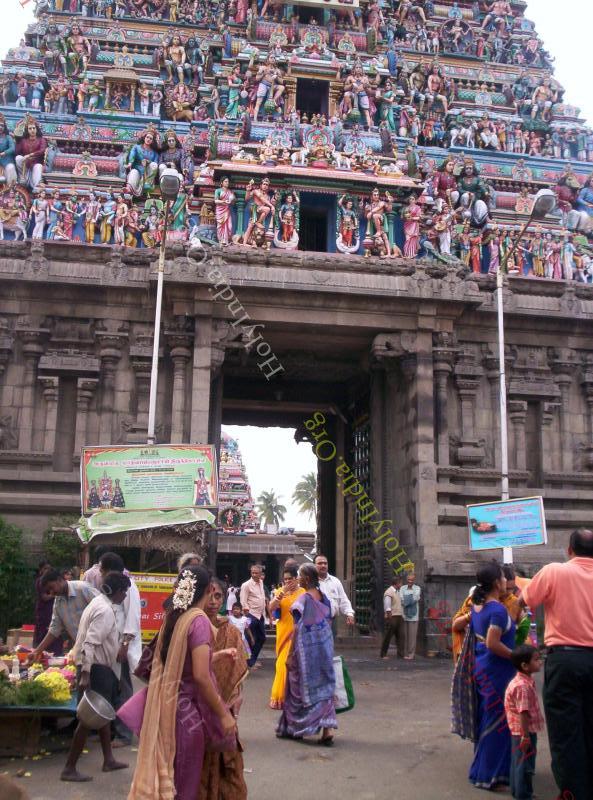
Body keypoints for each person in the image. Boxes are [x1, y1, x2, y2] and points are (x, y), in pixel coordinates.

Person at [128, 566, 236, 800]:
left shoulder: (173, 618)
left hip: (166, 708)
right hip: (188, 716)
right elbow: (200, 676)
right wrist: (223, 714)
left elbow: (180, 663)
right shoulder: (198, 621)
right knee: (184, 786)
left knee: (172, 779)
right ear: (209, 590)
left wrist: (217, 655)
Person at [520, 528, 593, 800]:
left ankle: (574, 793)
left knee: (566, 733)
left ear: (569, 550)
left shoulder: (554, 572)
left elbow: (525, 600)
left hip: (565, 660)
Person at [61, 571, 131, 782]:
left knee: (103, 714)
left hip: (98, 668)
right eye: (124, 592)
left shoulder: (98, 604)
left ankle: (108, 760)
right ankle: (69, 768)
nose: (125, 596)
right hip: (96, 669)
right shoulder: (104, 611)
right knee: (87, 719)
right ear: (116, 591)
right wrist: (85, 674)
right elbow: (90, 643)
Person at [453, 561, 516, 790]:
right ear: (497, 582)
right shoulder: (497, 610)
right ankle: (491, 776)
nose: (506, 581)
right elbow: (492, 643)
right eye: (503, 577)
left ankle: (481, 771)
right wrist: (516, 656)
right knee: (498, 723)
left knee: (488, 718)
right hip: (497, 669)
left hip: (481, 667)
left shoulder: (477, 606)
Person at [276, 564, 337, 746]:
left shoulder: (302, 600)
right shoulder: (324, 598)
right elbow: (328, 620)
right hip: (324, 648)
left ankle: (297, 728)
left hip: (305, 652)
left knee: (297, 688)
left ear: (307, 579)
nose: (298, 578)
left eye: (300, 576)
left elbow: (297, 629)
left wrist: (290, 655)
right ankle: (327, 730)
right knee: (325, 685)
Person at [200, 578, 248, 800]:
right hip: (195, 709)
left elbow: (238, 671)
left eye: (218, 596)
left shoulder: (231, 631)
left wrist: (234, 700)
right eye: (208, 595)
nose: (212, 601)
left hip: (225, 706)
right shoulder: (191, 627)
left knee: (230, 767)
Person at [98, 553, 141, 747]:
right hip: (111, 645)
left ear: (109, 569)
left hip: (122, 646)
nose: (100, 573)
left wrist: (125, 645)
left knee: (123, 688)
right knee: (112, 688)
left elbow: (133, 616)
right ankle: (112, 730)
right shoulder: (112, 585)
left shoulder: (128, 586)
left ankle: (124, 733)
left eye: (102, 569)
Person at [28, 569, 98, 664]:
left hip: (100, 647)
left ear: (59, 580)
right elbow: (54, 629)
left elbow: (106, 609)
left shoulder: (83, 588)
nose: (51, 593)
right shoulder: (58, 602)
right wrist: (37, 652)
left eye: (51, 587)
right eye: (48, 591)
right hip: (82, 651)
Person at [504, 644, 544, 800]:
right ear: (525, 666)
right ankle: (524, 795)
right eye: (536, 659)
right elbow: (523, 713)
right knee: (525, 764)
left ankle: (518, 792)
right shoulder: (522, 687)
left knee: (518, 762)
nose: (540, 661)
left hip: (518, 731)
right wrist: (526, 736)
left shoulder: (523, 681)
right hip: (524, 732)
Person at [268, 561, 306, 709]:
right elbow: (271, 608)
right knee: (281, 664)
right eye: (285, 579)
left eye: (290, 579)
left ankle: (287, 697)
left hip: (298, 633)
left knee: (293, 666)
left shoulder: (303, 593)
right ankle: (280, 697)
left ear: (297, 579)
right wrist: (280, 594)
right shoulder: (279, 592)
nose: (288, 582)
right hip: (283, 632)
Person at [314, 554, 355, 635]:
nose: (323, 565)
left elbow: (343, 599)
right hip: (314, 624)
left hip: (331, 622)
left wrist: (349, 613)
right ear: (314, 565)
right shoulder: (310, 582)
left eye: (325, 563)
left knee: (331, 643)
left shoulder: (335, 581)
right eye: (320, 563)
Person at [240, 564, 269, 669]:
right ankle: (247, 662)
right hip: (251, 614)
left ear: (261, 574)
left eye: (256, 573)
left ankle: (252, 660)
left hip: (260, 615)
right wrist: (247, 613)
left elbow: (262, 598)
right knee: (248, 639)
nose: (254, 575)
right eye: (252, 572)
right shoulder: (246, 585)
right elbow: (243, 600)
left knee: (262, 638)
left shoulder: (261, 582)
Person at [33, 561, 62, 656]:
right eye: (45, 568)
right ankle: (42, 654)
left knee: (55, 630)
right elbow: (44, 597)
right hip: (44, 611)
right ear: (40, 570)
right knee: (45, 631)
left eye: (49, 568)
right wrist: (55, 594)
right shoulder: (40, 582)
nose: (47, 570)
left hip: (52, 609)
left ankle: (55, 655)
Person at [380, 576, 404, 659]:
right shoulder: (389, 592)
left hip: (399, 616)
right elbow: (387, 605)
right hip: (392, 616)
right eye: (400, 583)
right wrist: (389, 616)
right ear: (397, 583)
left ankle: (400, 654)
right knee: (388, 636)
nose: (401, 585)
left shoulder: (398, 591)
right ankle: (383, 654)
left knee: (401, 635)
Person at [400, 573, 421, 660]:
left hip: (414, 616)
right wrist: (410, 598)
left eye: (412, 580)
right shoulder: (402, 588)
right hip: (404, 615)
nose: (410, 581)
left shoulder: (417, 588)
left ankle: (411, 654)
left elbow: (415, 598)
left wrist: (406, 600)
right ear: (406, 579)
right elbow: (401, 599)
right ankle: (405, 653)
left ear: (414, 580)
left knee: (412, 636)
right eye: (409, 579)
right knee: (404, 635)